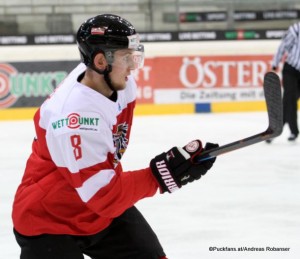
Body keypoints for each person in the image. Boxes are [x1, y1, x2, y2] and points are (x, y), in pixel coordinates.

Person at [12, 14, 218, 259]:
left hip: (98, 211)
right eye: (126, 57)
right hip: (49, 219)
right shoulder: (73, 118)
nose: (133, 65)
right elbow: (102, 195)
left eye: (134, 55)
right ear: (101, 61)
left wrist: (172, 167)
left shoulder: (120, 84)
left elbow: (103, 188)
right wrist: (162, 175)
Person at [271, 21, 300, 142]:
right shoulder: (296, 28)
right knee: (290, 99)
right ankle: (293, 131)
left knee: (289, 101)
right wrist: (275, 63)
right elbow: (284, 45)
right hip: (291, 69)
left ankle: (276, 128)